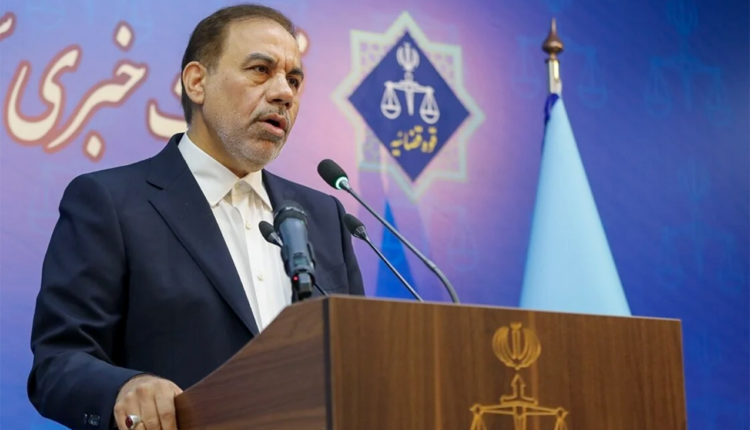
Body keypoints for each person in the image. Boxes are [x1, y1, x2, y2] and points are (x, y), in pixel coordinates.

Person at [27, 5, 364, 430]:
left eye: (294, 80)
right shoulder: (111, 202)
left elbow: (358, 358)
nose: (284, 93)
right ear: (197, 82)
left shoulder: (324, 216)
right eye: (260, 70)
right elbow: (58, 362)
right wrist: (125, 388)